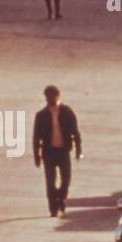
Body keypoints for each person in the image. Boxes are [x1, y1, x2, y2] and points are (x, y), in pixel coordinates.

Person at [33, 85, 82, 218]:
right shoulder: (41, 115)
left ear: (57, 96)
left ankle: (61, 199)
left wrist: (78, 149)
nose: (49, 99)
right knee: (50, 182)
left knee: (66, 179)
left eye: (52, 96)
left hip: (63, 151)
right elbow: (36, 137)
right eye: (47, 96)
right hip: (49, 153)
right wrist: (36, 156)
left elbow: (75, 132)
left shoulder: (67, 112)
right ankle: (53, 208)